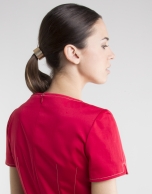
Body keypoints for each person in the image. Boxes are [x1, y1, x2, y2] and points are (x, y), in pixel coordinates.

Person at [5, 3, 128, 194]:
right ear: (73, 53)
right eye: (103, 45)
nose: (111, 54)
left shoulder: (17, 118)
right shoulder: (98, 122)